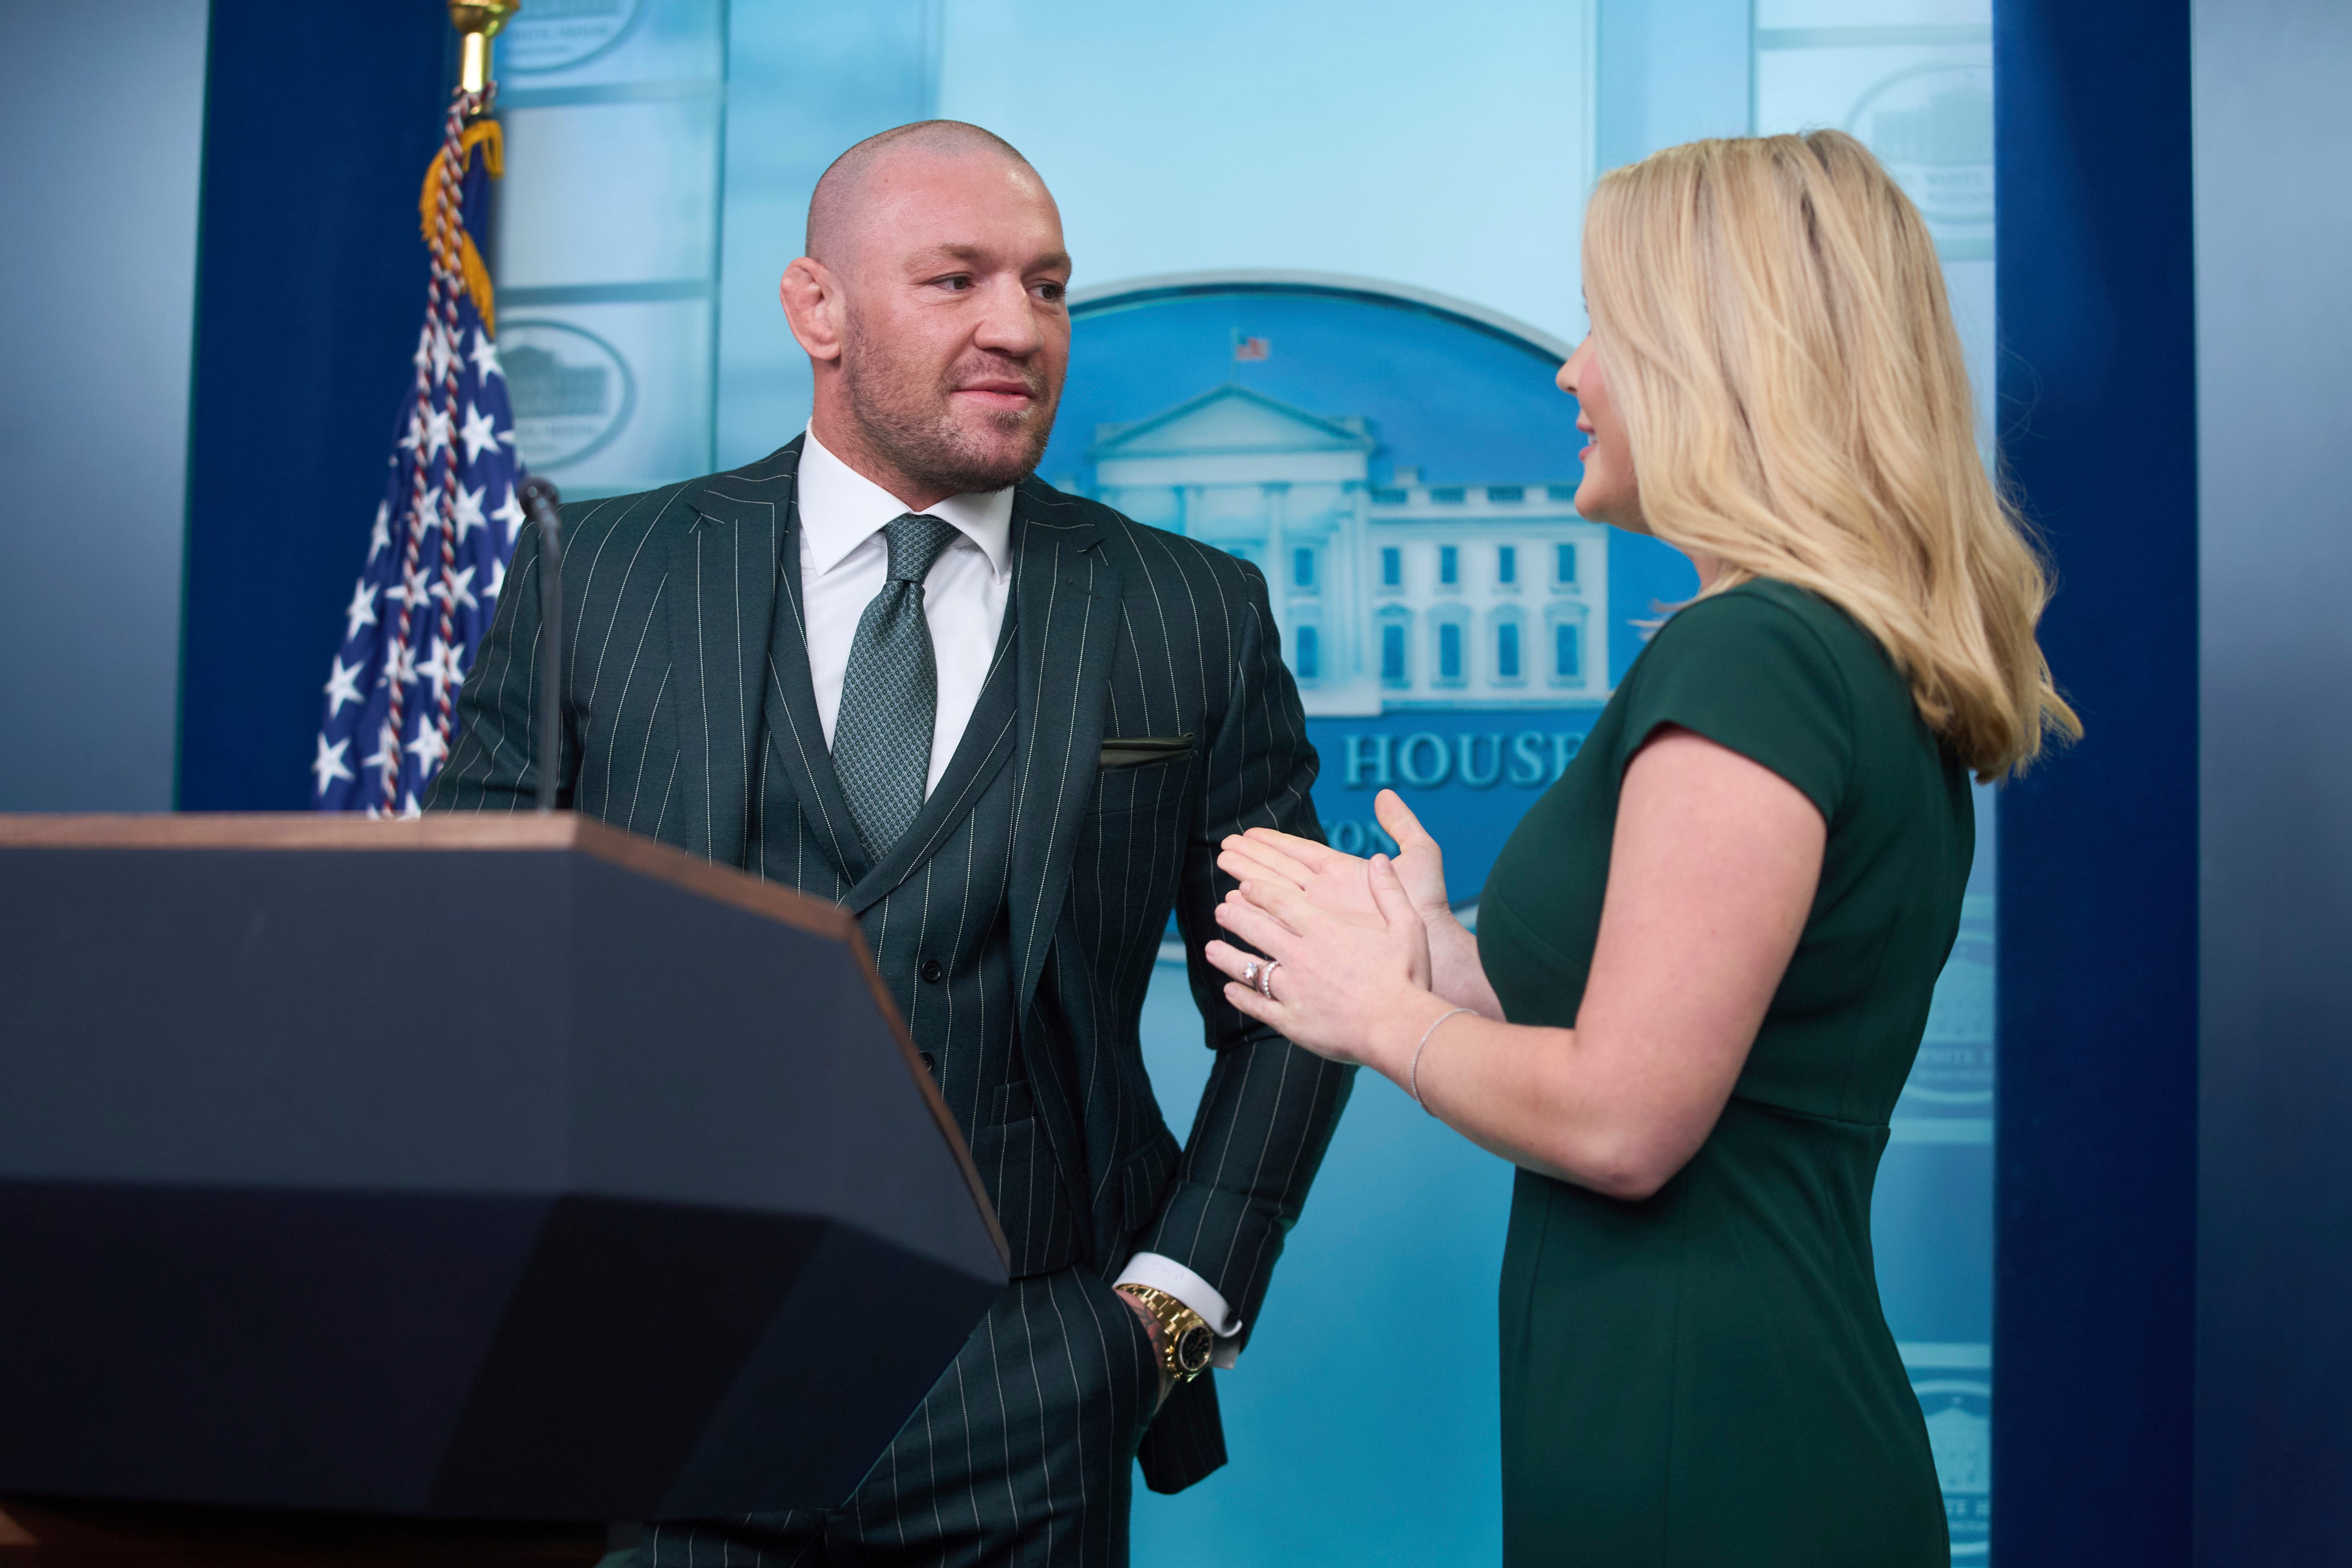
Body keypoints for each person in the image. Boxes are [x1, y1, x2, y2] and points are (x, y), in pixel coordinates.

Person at [430, 121, 1352, 1566]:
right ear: (817, 308)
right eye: (956, 280)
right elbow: (461, 962)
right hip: (660, 1387)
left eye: (1046, 287)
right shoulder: (592, 573)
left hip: (1029, 1388)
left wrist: (1172, 1305)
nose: (1018, 328)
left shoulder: (1187, 612)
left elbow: (1304, 992)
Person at [1206, 129, 2079, 1566]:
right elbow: (1703, 1050)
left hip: (1712, 1439)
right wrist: (1445, 958)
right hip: (1700, 1406)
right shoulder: (1826, 659)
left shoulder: (1757, 660)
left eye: (1605, 325)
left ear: (1720, 359)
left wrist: (1382, 1015)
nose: (1571, 370)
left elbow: (1623, 1124)